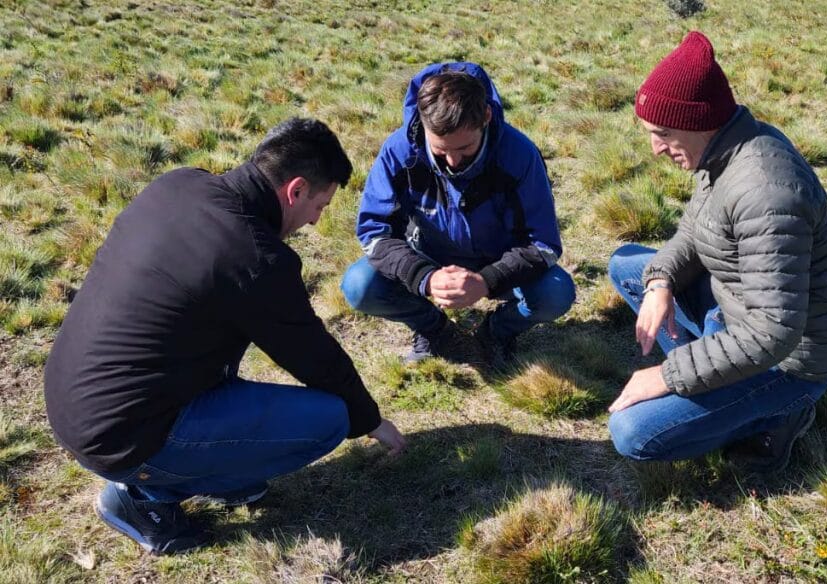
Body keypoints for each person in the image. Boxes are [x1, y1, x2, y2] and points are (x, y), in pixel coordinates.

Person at [44, 118, 406, 555]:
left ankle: (210, 470)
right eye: (320, 205)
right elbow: (315, 358)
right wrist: (371, 421)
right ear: (295, 190)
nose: (315, 221)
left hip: (71, 400)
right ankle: (144, 496)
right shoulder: (254, 257)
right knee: (331, 418)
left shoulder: (178, 184)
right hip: (122, 437)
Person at [606, 32, 827, 473]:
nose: (655, 149)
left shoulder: (765, 191)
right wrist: (660, 283)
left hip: (788, 364)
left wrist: (667, 375)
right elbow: (692, 232)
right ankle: (712, 368)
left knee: (632, 431)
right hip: (736, 309)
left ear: (698, 122)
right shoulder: (722, 152)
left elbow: (774, 332)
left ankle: (781, 415)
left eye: (663, 134)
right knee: (629, 266)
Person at [341, 62, 575, 366]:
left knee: (556, 292)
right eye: (440, 150)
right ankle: (433, 330)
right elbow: (375, 232)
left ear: (486, 117)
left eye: (465, 148)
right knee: (360, 285)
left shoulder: (519, 155)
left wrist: (487, 280)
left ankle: (496, 332)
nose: (452, 161)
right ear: (423, 123)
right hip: (426, 257)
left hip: (500, 261)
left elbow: (544, 245)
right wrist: (425, 277)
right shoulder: (399, 151)